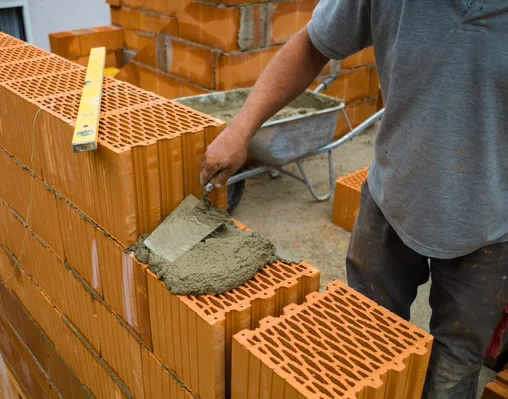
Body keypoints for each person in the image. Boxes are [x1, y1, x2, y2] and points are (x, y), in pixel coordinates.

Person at [199, 1, 508, 397]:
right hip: (390, 201)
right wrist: (240, 130)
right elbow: (312, 44)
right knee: (365, 343)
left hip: (489, 228)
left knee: (453, 369)